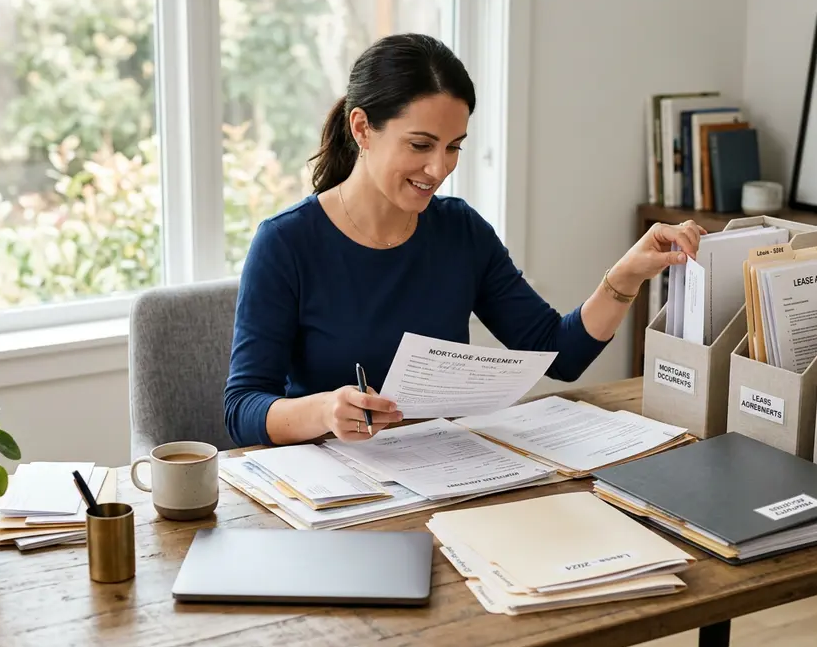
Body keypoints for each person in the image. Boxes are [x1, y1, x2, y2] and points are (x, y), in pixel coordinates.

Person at [223, 33, 704, 448]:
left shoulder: (460, 231)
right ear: (362, 128)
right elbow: (242, 410)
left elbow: (560, 354)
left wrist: (625, 277)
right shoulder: (285, 243)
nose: (439, 169)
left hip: (445, 475)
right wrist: (324, 411)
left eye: (453, 147)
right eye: (420, 145)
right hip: (333, 494)